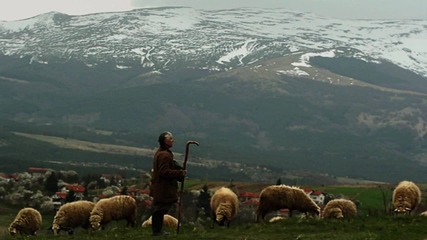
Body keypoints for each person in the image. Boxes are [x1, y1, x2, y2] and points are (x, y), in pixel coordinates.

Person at [149, 131, 186, 236]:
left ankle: (157, 231)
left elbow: (169, 165)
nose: (172, 140)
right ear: (165, 141)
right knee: (160, 209)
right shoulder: (165, 155)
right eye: (170, 138)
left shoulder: (161, 153)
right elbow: (164, 172)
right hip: (163, 188)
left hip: (160, 187)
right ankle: (157, 231)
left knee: (159, 208)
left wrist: (177, 167)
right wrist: (179, 173)